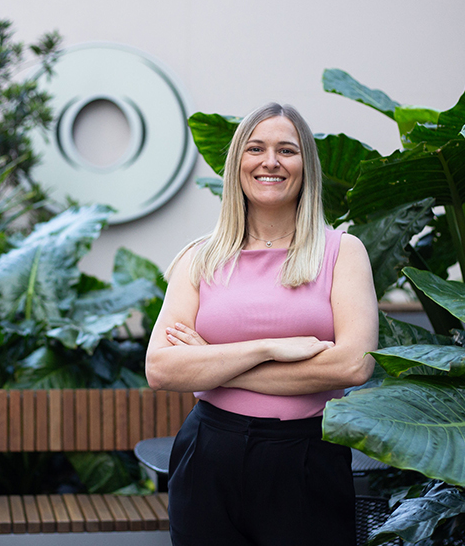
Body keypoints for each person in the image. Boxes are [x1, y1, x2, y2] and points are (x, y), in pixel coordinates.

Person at [145, 102, 378, 546]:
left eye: (286, 150)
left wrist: (213, 364)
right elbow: (160, 369)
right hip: (208, 455)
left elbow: (353, 365)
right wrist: (267, 348)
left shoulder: (342, 252)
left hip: (305, 459)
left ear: (306, 166)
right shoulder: (200, 257)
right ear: (237, 163)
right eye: (256, 149)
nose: (270, 161)